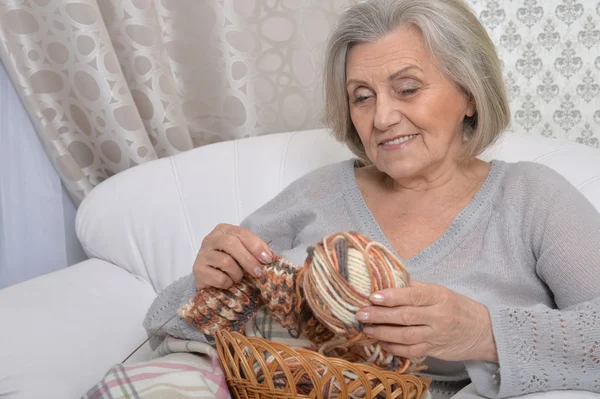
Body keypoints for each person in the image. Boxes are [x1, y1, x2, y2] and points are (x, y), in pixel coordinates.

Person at [145, 0, 600, 398]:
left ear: (469, 94)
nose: (382, 117)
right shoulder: (319, 191)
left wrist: (482, 333)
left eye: (407, 88)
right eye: (362, 97)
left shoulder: (531, 196)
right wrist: (207, 281)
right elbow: (165, 323)